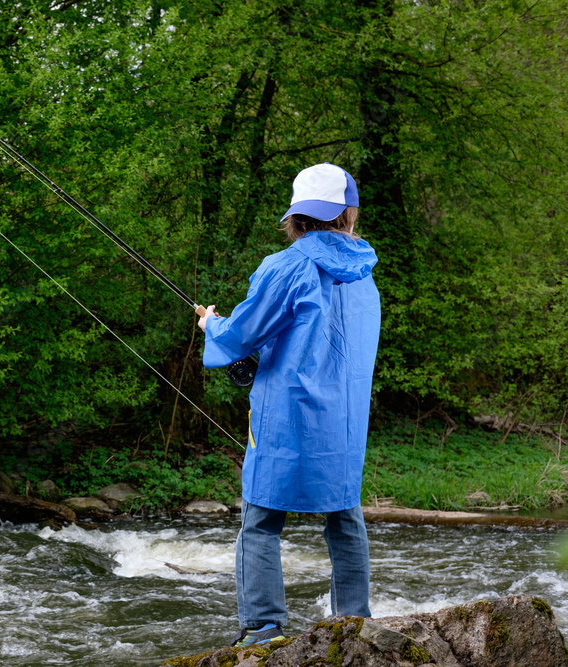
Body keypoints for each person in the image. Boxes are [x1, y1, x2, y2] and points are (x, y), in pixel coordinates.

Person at [197, 163, 381, 648]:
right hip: (343, 418)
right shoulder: (364, 273)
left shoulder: (286, 265)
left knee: (259, 522)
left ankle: (261, 630)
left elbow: (241, 334)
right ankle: (355, 625)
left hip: (286, 414)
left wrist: (211, 325)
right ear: (348, 214)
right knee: (344, 514)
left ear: (297, 217)